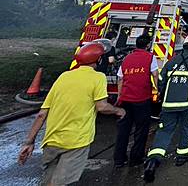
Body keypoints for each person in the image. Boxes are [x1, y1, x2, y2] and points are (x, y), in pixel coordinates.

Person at [18, 42, 125, 185]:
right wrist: (119, 110)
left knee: (48, 181)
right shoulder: (97, 77)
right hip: (76, 142)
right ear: (99, 60)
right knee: (63, 183)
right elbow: (102, 107)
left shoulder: (64, 77)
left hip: (51, 141)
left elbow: (42, 114)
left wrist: (29, 142)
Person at [144, 33, 188, 182]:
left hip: (168, 105)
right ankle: (183, 155)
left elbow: (161, 81)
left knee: (164, 131)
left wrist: (163, 95)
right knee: (187, 128)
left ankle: (153, 160)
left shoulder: (171, 62)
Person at [113, 34, 158, 168]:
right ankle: (136, 159)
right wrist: (158, 89)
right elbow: (155, 75)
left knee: (123, 131)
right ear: (148, 45)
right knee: (141, 130)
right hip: (142, 99)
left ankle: (119, 160)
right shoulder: (150, 57)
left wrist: (119, 96)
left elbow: (120, 78)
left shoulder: (127, 58)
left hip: (125, 100)